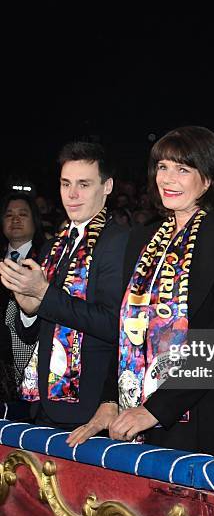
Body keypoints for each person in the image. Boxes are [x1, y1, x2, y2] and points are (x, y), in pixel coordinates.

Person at [68, 126, 214, 466]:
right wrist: (109, 400)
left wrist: (155, 410)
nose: (168, 178)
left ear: (207, 179)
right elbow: (128, 331)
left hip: (203, 417)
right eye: (162, 167)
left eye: (182, 169)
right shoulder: (142, 239)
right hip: (138, 414)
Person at [0, 142, 128, 429]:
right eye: (65, 183)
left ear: (107, 186)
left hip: (91, 407)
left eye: (84, 184)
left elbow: (114, 324)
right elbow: (33, 331)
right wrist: (27, 306)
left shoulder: (119, 242)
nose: (72, 194)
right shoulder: (54, 246)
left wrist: (43, 294)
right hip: (44, 402)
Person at [0, 193, 45, 414]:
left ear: (34, 220)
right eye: (9, 215)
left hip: (34, 364)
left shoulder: (48, 258)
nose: (15, 220)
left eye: (22, 214)